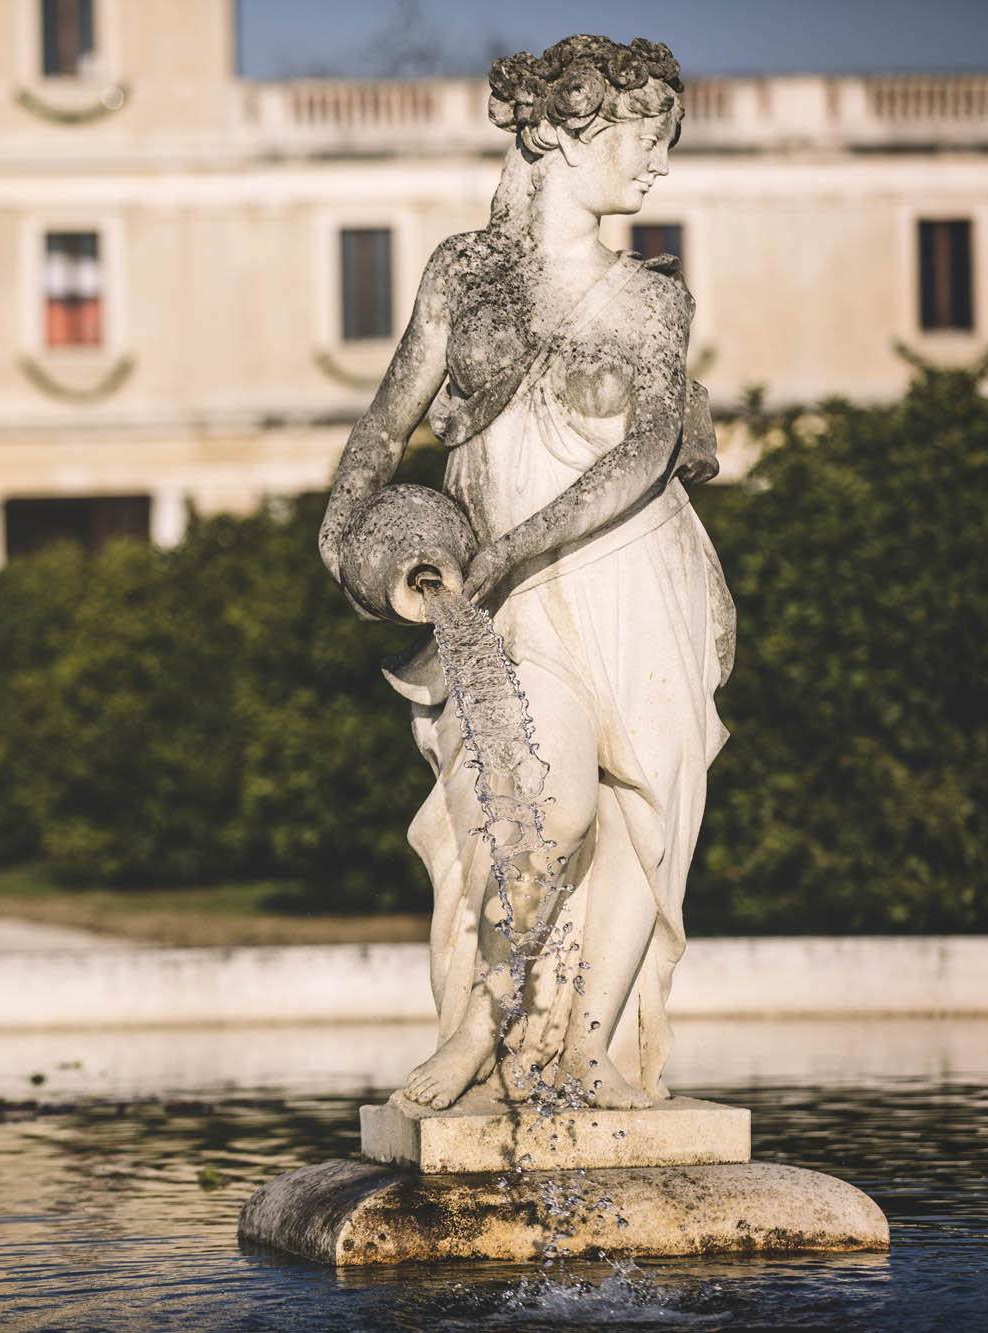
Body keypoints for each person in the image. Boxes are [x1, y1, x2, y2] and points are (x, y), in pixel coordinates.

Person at [317, 35, 734, 1111]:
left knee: (642, 818)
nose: (656, 168)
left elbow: (644, 456)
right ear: (560, 130)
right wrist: (345, 515)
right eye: (644, 139)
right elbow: (388, 415)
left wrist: (506, 546)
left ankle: (589, 1043)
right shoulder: (466, 273)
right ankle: (478, 1026)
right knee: (540, 809)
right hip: (517, 600)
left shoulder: (652, 303)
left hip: (633, 578)